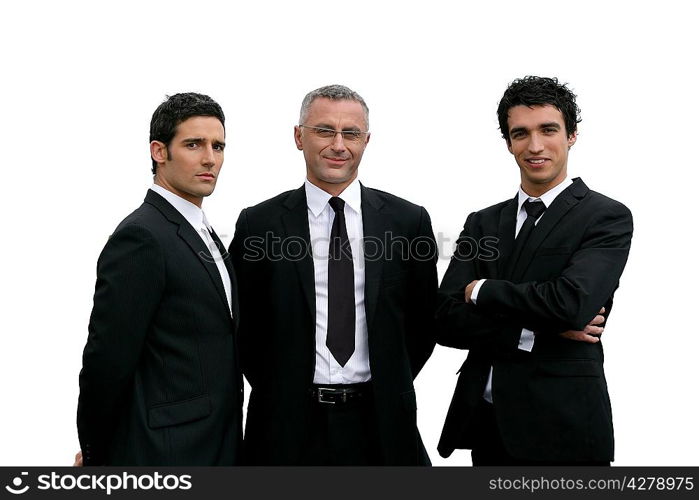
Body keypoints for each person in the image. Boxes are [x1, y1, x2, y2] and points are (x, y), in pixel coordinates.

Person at [230, 84, 437, 465]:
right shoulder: (258, 224)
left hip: (381, 424)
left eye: (351, 133)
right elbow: (244, 328)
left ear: (366, 140)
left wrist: (390, 382)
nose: (338, 145)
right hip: (286, 428)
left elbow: (423, 324)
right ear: (298, 136)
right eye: (324, 131)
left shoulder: (408, 222)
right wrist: (283, 388)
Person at [436, 76, 633, 465]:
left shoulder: (605, 216)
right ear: (508, 142)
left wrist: (483, 291)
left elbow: (570, 304)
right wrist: (527, 330)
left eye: (548, 129)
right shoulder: (482, 223)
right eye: (520, 133)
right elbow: (444, 319)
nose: (535, 145)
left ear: (572, 134)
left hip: (564, 425)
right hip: (488, 425)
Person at [76, 92, 242, 465]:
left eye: (218, 146)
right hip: (165, 452)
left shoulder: (201, 230)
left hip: (217, 443)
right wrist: (95, 453)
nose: (209, 158)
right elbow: (107, 360)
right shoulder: (142, 237)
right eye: (193, 144)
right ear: (159, 151)